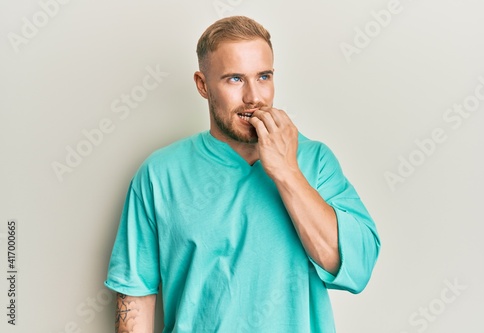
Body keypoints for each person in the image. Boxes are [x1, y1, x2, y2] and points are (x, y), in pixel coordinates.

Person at [105, 15, 380, 333]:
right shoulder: (158, 173)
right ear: (203, 85)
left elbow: (356, 271)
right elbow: (135, 294)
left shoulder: (315, 160)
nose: (254, 97)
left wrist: (286, 172)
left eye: (264, 77)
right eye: (235, 79)